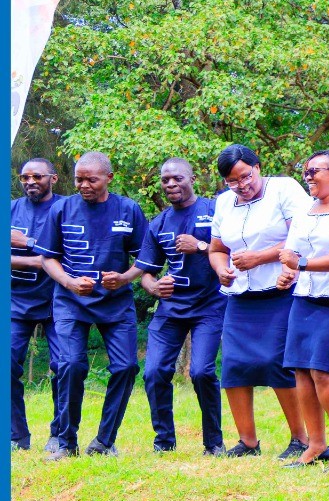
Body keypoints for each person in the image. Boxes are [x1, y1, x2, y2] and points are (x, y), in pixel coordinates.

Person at [35, 152, 148, 460]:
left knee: (126, 366)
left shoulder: (128, 209)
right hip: (71, 302)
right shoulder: (62, 209)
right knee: (70, 365)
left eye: (91, 180)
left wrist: (124, 278)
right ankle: (66, 442)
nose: (84, 185)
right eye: (79, 179)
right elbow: (48, 258)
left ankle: (104, 441)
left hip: (116, 303)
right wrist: (69, 282)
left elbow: (145, 257)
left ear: (109, 178)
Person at [208, 144, 312, 458]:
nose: (242, 185)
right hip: (241, 295)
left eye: (245, 176)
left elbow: (302, 236)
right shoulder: (224, 202)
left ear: (257, 167)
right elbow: (217, 249)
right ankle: (248, 442)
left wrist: (260, 257)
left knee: (276, 362)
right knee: (234, 365)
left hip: (281, 290)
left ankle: (301, 439)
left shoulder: (284, 189)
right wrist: (221, 271)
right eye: (232, 181)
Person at [134, 158, 227, 455]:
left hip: (210, 304)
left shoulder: (215, 210)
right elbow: (145, 272)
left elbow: (236, 250)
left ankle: (214, 443)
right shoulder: (159, 223)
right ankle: (164, 442)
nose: (171, 184)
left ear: (192, 179)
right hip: (171, 308)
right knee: (153, 373)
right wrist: (153, 287)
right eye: (165, 180)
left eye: (177, 178)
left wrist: (200, 246)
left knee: (201, 372)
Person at [279, 149, 329, 470]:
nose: (308, 177)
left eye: (314, 171)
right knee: (301, 370)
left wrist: (301, 264)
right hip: (304, 298)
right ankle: (316, 445)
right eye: (306, 172)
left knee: (324, 372)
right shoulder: (304, 211)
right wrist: (288, 272)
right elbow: (291, 253)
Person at [11, 157, 61, 450]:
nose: (30, 181)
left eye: (37, 176)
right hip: (15, 302)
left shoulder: (66, 208)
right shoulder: (10, 209)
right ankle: (16, 437)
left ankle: (59, 434)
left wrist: (27, 244)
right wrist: (41, 260)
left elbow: (71, 253)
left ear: (53, 179)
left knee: (64, 366)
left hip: (59, 301)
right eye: (24, 177)